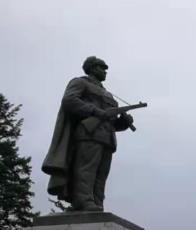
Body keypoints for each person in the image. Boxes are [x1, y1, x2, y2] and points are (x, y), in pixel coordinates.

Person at [43, 56, 136, 211]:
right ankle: (83, 201)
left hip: (107, 138)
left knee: (101, 175)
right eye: (102, 67)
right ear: (92, 68)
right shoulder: (80, 82)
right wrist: (95, 111)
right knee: (86, 170)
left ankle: (97, 203)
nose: (105, 71)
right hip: (88, 133)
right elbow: (69, 101)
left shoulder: (108, 94)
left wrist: (123, 123)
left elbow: (111, 122)